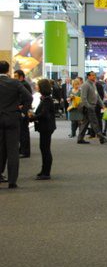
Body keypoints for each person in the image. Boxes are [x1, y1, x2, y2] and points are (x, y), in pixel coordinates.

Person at [0, 61, 32, 189]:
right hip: (12, 118)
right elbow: (29, 97)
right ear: (8, 70)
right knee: (13, 150)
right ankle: (12, 181)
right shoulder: (15, 83)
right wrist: (22, 111)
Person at [30, 79, 56, 180]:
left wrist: (32, 117)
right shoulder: (45, 98)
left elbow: (44, 114)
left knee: (45, 149)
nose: (36, 86)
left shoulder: (47, 99)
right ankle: (44, 170)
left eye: (38, 85)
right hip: (46, 126)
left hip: (46, 127)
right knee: (44, 148)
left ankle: (46, 172)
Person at [77, 71, 107, 145]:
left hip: (92, 107)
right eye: (92, 75)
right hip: (88, 107)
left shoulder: (93, 84)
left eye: (94, 75)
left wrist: (103, 105)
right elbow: (83, 98)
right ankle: (102, 138)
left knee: (85, 123)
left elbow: (97, 97)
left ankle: (80, 139)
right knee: (95, 123)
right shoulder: (85, 85)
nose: (94, 76)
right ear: (88, 76)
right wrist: (89, 106)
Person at [14, 69, 32, 158]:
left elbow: (28, 98)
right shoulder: (21, 84)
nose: (14, 78)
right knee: (22, 132)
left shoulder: (23, 85)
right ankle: (22, 150)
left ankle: (25, 151)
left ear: (21, 77)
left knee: (23, 132)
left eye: (16, 76)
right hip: (22, 111)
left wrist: (23, 108)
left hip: (23, 112)